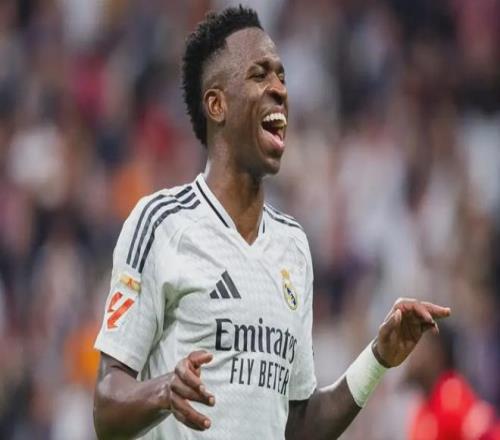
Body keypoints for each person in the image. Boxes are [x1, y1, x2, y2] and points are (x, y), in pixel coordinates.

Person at [93, 6, 450, 440]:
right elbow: (106, 406)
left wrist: (377, 358)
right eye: (259, 75)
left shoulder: (293, 246)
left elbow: (297, 426)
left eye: (282, 76)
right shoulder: (161, 224)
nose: (279, 89)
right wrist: (165, 390)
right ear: (217, 104)